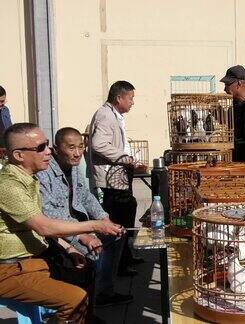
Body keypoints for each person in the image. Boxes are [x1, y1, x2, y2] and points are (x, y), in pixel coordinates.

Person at [0, 122, 123, 323]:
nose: (48, 152)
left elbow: (83, 197)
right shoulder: (9, 186)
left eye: (47, 145)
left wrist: (68, 248)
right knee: (74, 298)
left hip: (34, 259)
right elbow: (44, 225)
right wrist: (92, 227)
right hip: (11, 269)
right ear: (18, 155)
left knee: (84, 265)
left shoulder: (28, 178)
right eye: (40, 148)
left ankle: (85, 315)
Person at [37, 127, 129, 316]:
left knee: (116, 235)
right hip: (57, 234)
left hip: (78, 224)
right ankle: (82, 308)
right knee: (89, 253)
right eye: (71, 148)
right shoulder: (43, 172)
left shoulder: (74, 168)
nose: (78, 153)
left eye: (81, 147)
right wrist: (84, 236)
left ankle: (103, 292)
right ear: (56, 149)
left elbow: (86, 197)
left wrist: (105, 218)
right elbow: (50, 215)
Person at [87, 80, 141, 306]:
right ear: (119, 98)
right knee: (117, 224)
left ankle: (123, 261)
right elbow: (99, 144)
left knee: (127, 214)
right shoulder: (105, 116)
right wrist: (123, 157)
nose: (132, 102)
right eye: (130, 98)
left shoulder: (113, 115)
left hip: (117, 177)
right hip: (111, 180)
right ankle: (108, 282)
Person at [220, 65, 245, 162]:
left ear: (239, 84)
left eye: (227, 85)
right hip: (236, 160)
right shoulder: (233, 106)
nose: (225, 89)